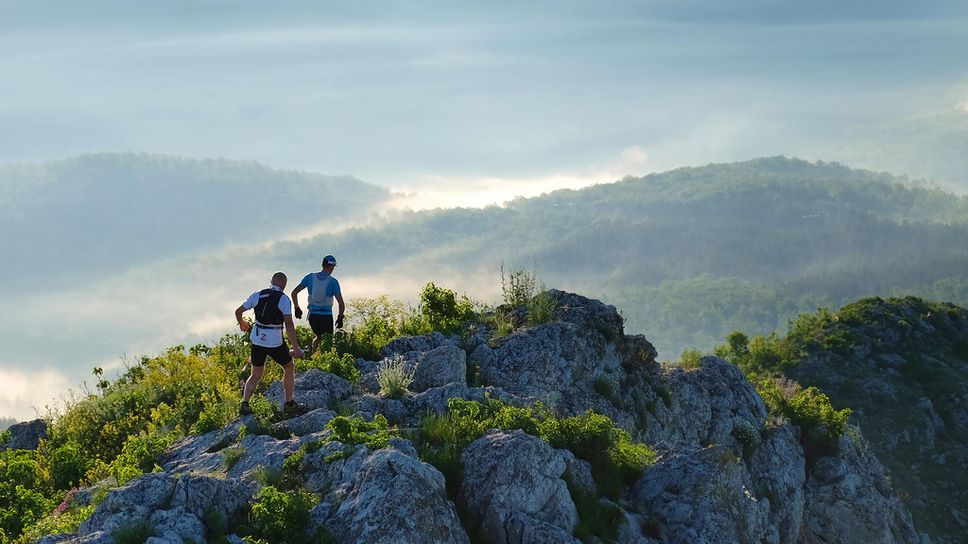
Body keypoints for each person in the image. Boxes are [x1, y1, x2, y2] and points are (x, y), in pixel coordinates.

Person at [235, 272, 305, 416]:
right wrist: (296, 347)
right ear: (284, 284)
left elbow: (238, 311)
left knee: (255, 374)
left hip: (257, 340)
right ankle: (289, 403)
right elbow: (289, 324)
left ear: (271, 282)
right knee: (288, 366)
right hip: (275, 342)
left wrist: (242, 323)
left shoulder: (257, 295)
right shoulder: (284, 300)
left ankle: (245, 403)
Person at [291, 254, 345, 354]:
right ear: (332, 266)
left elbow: (294, 292)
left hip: (313, 315)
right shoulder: (333, 282)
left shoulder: (310, 277)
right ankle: (325, 358)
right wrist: (340, 317)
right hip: (326, 316)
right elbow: (341, 303)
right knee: (328, 339)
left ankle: (313, 356)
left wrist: (297, 308)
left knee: (319, 336)